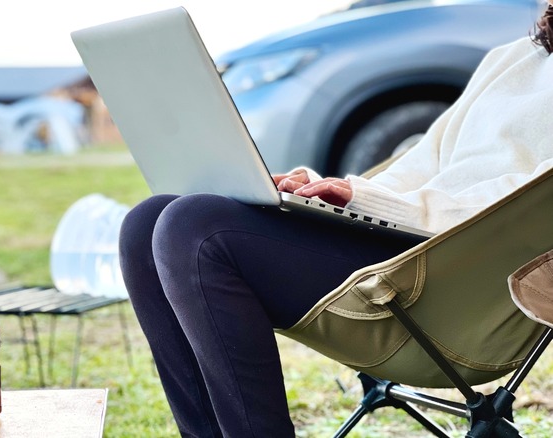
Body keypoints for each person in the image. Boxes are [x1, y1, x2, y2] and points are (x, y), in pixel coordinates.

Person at [118, 4, 553, 436]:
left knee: (196, 228)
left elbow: (526, 201)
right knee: (145, 223)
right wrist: (339, 193)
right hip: (405, 246)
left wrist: (380, 203)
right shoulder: (514, 57)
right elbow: (423, 162)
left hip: (453, 286)